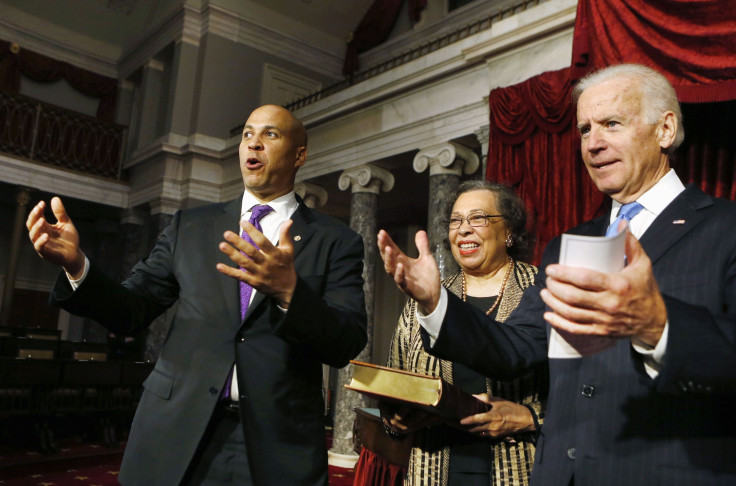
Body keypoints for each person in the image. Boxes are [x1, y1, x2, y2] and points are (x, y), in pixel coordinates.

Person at [378, 64, 736, 486]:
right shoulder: (570, 244)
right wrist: (435, 302)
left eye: (611, 124)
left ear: (665, 129)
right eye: (584, 130)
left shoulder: (725, 228)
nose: (594, 144)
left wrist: (659, 325)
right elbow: (517, 347)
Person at [26, 104, 368, 485]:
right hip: (177, 428)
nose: (254, 143)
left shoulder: (337, 241)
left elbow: (347, 341)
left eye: (270, 134)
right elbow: (130, 310)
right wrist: (77, 266)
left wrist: (290, 291)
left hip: (274, 441)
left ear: (299, 155)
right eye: (247, 134)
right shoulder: (190, 226)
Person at [380, 181, 545, 486]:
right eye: (456, 220)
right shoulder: (426, 298)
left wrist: (530, 417)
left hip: (522, 470)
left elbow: (584, 394)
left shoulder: (543, 290)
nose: (464, 229)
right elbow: (396, 381)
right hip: (432, 470)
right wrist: (395, 419)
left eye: (478, 218)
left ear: (509, 231)